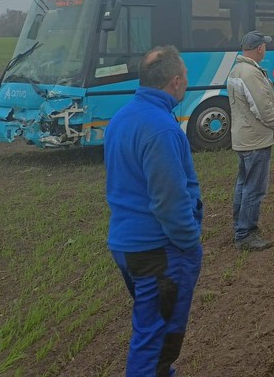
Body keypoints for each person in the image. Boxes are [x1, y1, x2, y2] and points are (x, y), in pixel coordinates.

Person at [104, 46, 203, 376]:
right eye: (186, 76)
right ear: (175, 81)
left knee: (152, 329)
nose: (187, 81)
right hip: (159, 251)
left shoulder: (122, 117)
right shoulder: (160, 128)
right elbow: (169, 201)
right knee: (157, 341)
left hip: (128, 245)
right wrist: (190, 243)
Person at [228, 30, 274, 251]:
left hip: (244, 138)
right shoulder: (251, 73)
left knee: (243, 184)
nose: (266, 49)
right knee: (254, 188)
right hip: (256, 140)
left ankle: (239, 227)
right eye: (265, 46)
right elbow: (263, 109)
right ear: (260, 48)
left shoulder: (237, 69)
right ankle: (245, 234)